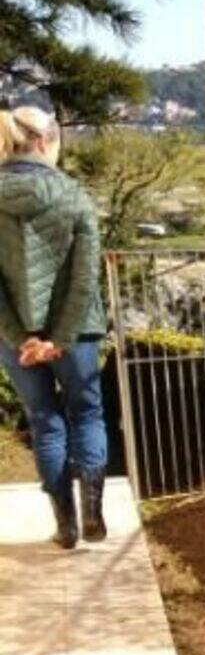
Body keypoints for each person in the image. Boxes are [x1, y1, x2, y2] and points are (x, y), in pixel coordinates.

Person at [0, 105, 107, 548]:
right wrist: (58, 339)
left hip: (14, 339)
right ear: (45, 142)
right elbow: (84, 279)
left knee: (44, 421)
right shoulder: (74, 196)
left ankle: (65, 525)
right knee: (86, 413)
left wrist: (20, 336)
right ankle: (94, 512)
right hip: (76, 333)